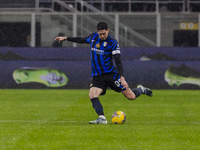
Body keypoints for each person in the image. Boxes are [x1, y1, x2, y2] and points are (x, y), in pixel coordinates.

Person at [54, 22, 153, 124]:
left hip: (111, 75)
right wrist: (66, 38)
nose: (102, 36)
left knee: (131, 96)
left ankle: (141, 89)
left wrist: (122, 77)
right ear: (97, 32)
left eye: (104, 34)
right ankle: (102, 118)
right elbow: (81, 39)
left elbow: (118, 61)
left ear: (108, 30)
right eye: (100, 34)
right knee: (92, 95)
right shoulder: (93, 37)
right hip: (98, 76)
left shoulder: (113, 43)